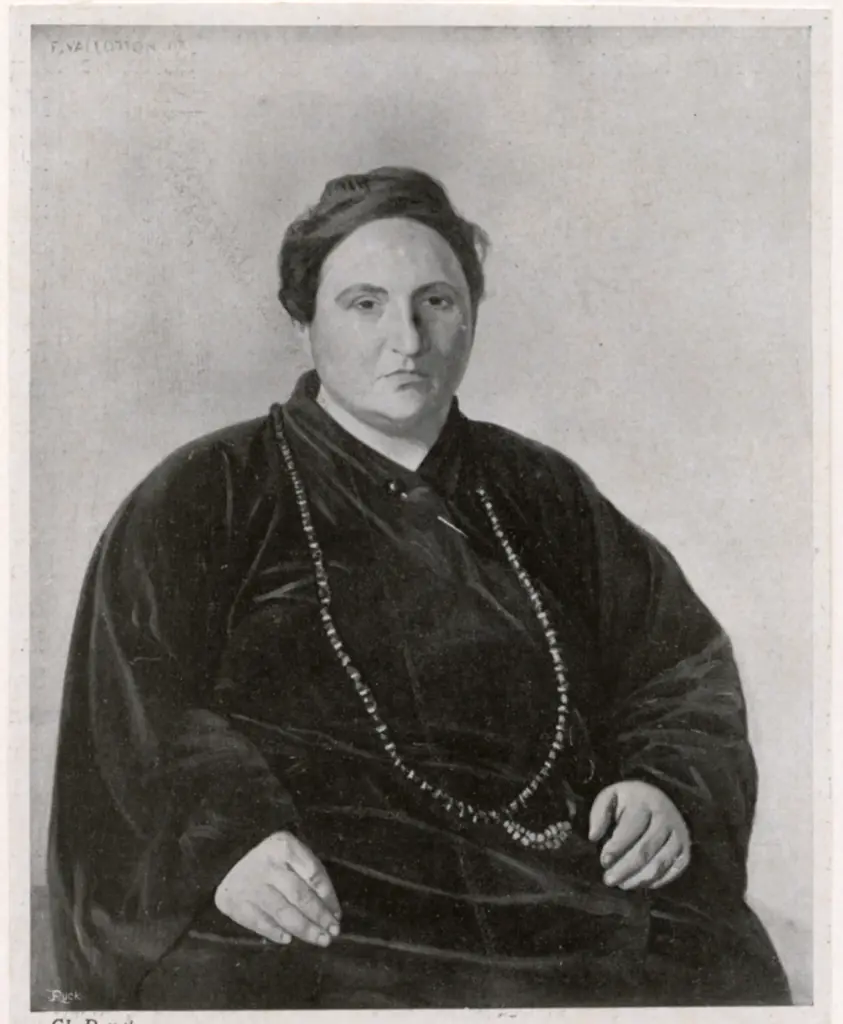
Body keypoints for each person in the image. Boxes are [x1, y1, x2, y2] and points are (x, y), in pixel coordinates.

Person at [47, 166, 792, 1010]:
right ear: (302, 321)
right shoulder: (209, 487)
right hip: (321, 890)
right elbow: (134, 698)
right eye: (364, 304)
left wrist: (664, 783)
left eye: (434, 301)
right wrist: (227, 843)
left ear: (470, 311)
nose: (405, 338)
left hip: (552, 873)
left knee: (715, 964)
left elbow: (677, 661)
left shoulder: (541, 488)